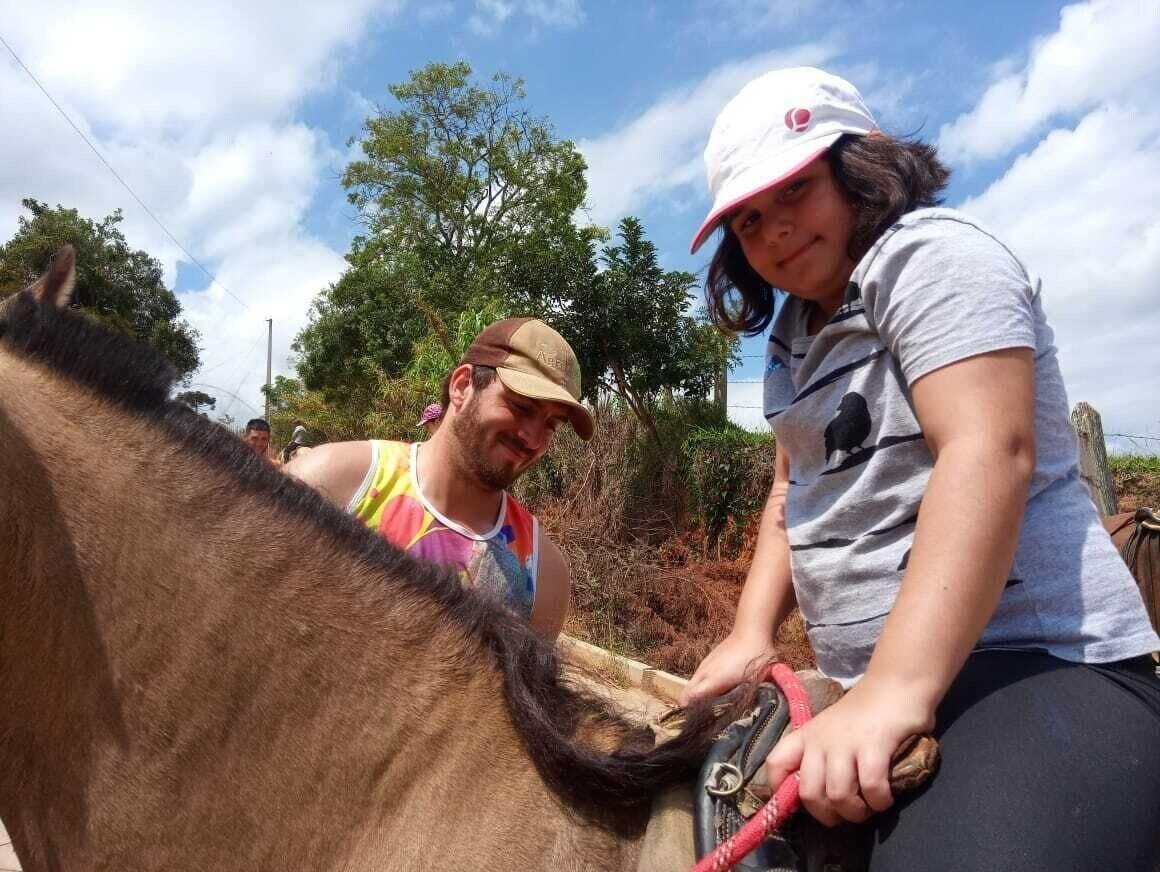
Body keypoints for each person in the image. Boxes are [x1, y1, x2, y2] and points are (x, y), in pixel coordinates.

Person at [681, 67, 1160, 869]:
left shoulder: (929, 258)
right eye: (749, 219)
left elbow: (988, 451)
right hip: (875, 674)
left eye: (795, 190)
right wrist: (750, 631)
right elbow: (789, 489)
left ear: (861, 166)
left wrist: (896, 690)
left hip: (1031, 661)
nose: (773, 231)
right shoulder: (790, 339)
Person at [285, 317, 591, 641]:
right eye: (520, 406)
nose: (532, 437)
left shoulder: (543, 575)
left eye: (551, 425)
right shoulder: (335, 483)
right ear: (462, 386)